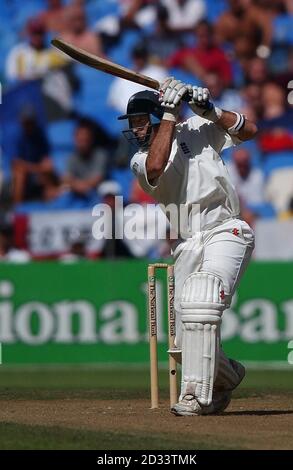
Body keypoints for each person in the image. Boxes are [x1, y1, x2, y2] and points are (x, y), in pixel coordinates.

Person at [119, 78, 257, 415]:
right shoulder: (140, 161)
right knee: (183, 344)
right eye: (133, 125)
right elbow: (156, 166)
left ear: (152, 117)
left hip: (226, 228)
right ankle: (226, 377)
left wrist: (211, 110)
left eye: (140, 122)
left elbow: (249, 130)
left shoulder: (198, 127)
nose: (137, 130)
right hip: (187, 241)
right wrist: (168, 114)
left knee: (201, 296)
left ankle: (194, 396)